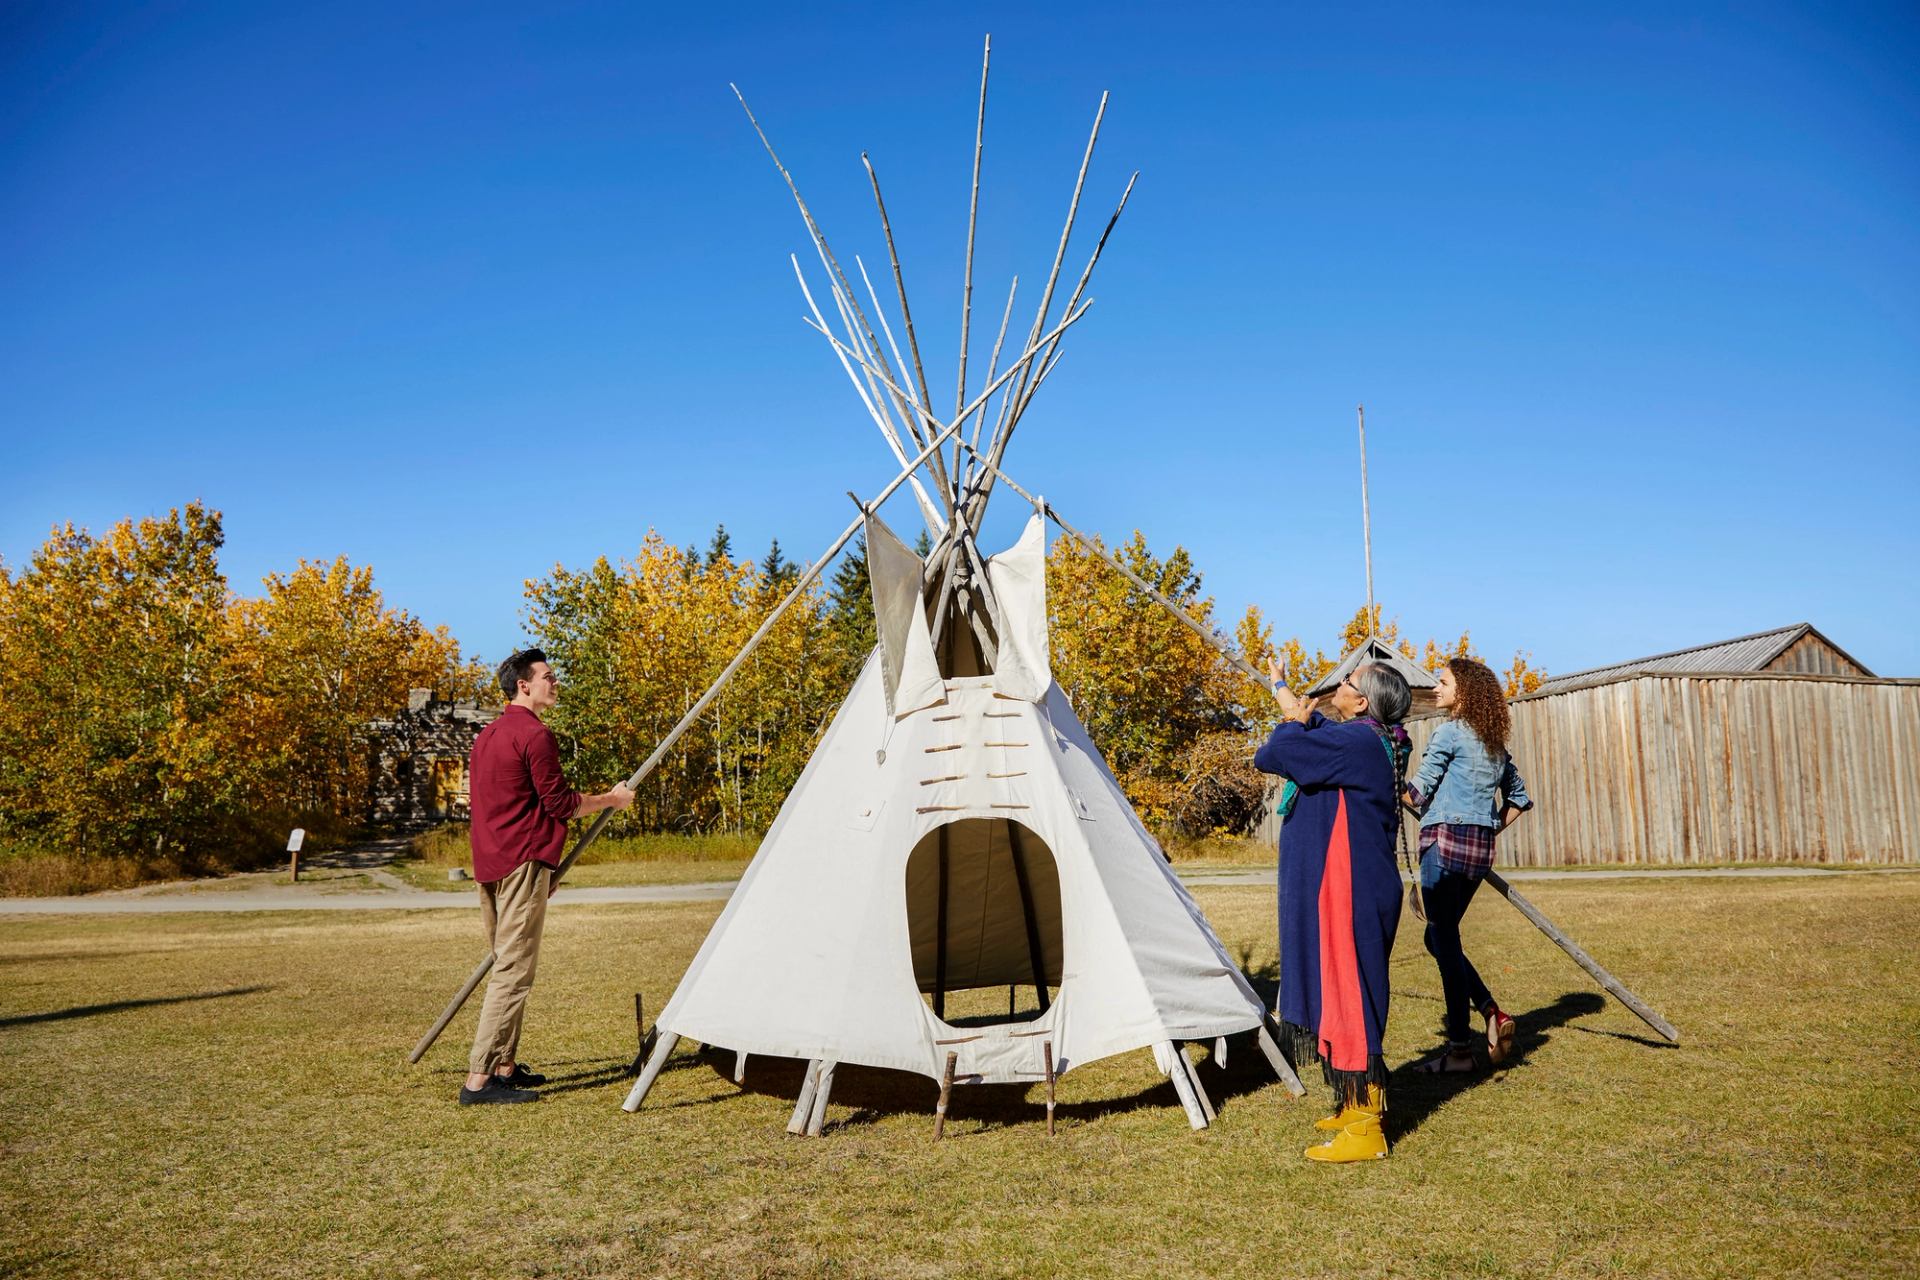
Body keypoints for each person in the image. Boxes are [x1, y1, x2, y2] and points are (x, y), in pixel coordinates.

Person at [459, 648, 634, 1105]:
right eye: (548, 678)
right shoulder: (534, 735)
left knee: (507, 964)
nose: (554, 685)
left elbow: (509, 807)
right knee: (513, 972)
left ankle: (504, 1066)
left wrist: (544, 865)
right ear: (524, 685)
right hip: (518, 863)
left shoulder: (488, 735)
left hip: (495, 863)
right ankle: (479, 1082)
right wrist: (611, 800)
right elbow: (562, 804)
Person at [1255, 660, 1413, 1163]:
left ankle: (1366, 1130)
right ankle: (1352, 1102)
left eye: (1348, 683)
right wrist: (1280, 687)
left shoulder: (1360, 744)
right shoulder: (1373, 740)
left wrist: (1293, 723)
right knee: (1341, 990)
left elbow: (1276, 753)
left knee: (1351, 999)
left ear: (1363, 702)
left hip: (1351, 891)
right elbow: (1316, 732)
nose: (1338, 686)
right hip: (1353, 885)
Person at [1405, 656, 1533, 1074]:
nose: (1436, 689)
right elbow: (1519, 799)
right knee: (1440, 939)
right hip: (1478, 852)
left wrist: (1384, 781)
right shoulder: (1493, 743)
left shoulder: (1450, 734)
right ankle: (1489, 1013)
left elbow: (1416, 796)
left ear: (1465, 692)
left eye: (1443, 683)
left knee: (1442, 940)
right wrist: (1488, 828)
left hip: (1443, 846)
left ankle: (1461, 1049)